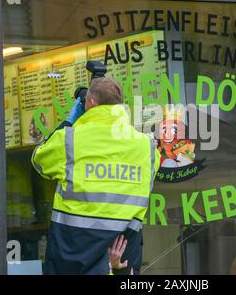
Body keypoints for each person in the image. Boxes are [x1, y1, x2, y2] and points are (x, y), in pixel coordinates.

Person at [31, 77, 160, 275]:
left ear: (91, 102)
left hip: (72, 250)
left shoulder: (70, 139)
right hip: (122, 249)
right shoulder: (147, 147)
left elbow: (39, 160)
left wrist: (69, 121)